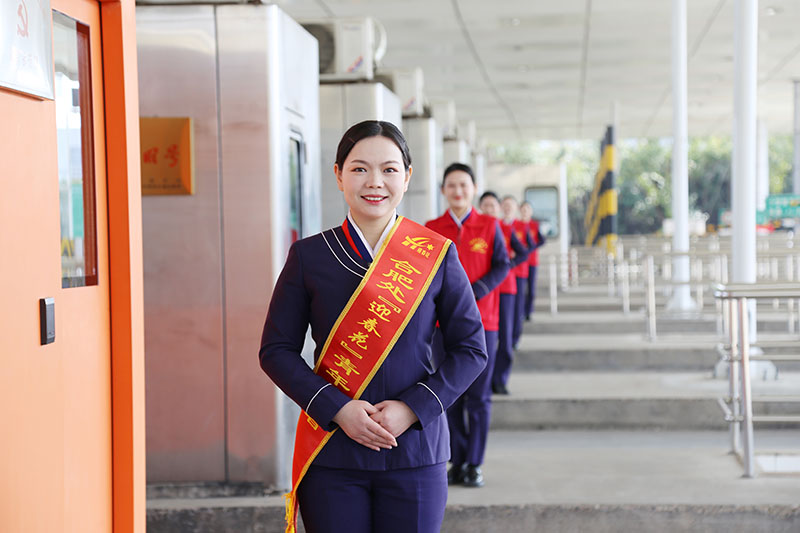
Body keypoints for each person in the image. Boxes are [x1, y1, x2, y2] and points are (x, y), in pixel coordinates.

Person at [258, 120, 487, 533]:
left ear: (407, 176)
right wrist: (336, 408)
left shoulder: (436, 255)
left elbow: (471, 349)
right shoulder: (310, 256)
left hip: (415, 450)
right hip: (332, 454)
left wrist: (413, 408)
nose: (375, 182)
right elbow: (276, 350)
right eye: (360, 168)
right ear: (338, 175)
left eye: (389, 169)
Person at [425, 163, 510, 488]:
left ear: (473, 188)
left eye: (464, 185)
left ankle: (474, 463)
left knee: (478, 397)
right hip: (439, 326)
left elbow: (502, 264)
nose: (458, 191)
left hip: (483, 323)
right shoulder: (432, 227)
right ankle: (457, 461)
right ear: (443, 190)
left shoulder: (490, 226)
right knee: (449, 395)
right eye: (451, 186)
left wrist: (476, 292)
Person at [480, 192, 529, 396]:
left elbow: (524, 252)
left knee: (505, 337)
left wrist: (509, 265)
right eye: (486, 206)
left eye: (494, 206)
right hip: (484, 291)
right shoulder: (479, 229)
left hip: (506, 288)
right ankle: (484, 381)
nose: (490, 210)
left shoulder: (505, 229)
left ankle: (500, 379)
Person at [501, 195, 535, 350]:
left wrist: (514, 258)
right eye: (505, 205)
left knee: (517, 308)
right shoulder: (496, 225)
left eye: (511, 205)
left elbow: (528, 248)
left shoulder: (522, 226)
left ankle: (514, 338)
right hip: (501, 275)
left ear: (516, 209)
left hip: (518, 273)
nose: (508, 208)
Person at [520, 201, 546, 321]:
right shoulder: (516, 225)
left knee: (531, 288)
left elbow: (542, 240)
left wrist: (532, 247)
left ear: (531, 212)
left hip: (532, 261)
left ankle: (529, 311)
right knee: (520, 288)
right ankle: (520, 311)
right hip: (520, 263)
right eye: (523, 209)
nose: (525, 212)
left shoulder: (535, 225)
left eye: (527, 209)